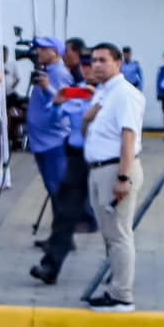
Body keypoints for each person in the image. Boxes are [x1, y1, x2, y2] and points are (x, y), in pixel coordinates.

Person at [80, 41, 145, 312]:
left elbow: (128, 137)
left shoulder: (124, 94)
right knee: (109, 234)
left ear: (118, 63)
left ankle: (122, 295)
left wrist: (123, 177)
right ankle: (114, 285)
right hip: (98, 169)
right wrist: (87, 118)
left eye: (102, 60)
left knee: (119, 233)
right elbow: (89, 129)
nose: (96, 65)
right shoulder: (102, 93)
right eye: (93, 60)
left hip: (115, 169)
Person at [30, 60, 97, 287]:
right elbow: (53, 120)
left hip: (105, 160)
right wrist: (57, 103)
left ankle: (117, 268)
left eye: (99, 62)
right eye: (89, 64)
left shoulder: (116, 94)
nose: (92, 68)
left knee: (112, 220)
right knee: (64, 213)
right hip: (78, 158)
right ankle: (50, 267)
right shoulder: (75, 91)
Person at [24, 35, 73, 202]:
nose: (39, 52)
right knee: (52, 187)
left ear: (56, 52)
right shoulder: (46, 71)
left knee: (57, 187)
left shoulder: (59, 73)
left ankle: (66, 224)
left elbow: (67, 101)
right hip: (42, 141)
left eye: (44, 49)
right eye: (39, 48)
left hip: (54, 141)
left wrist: (48, 88)